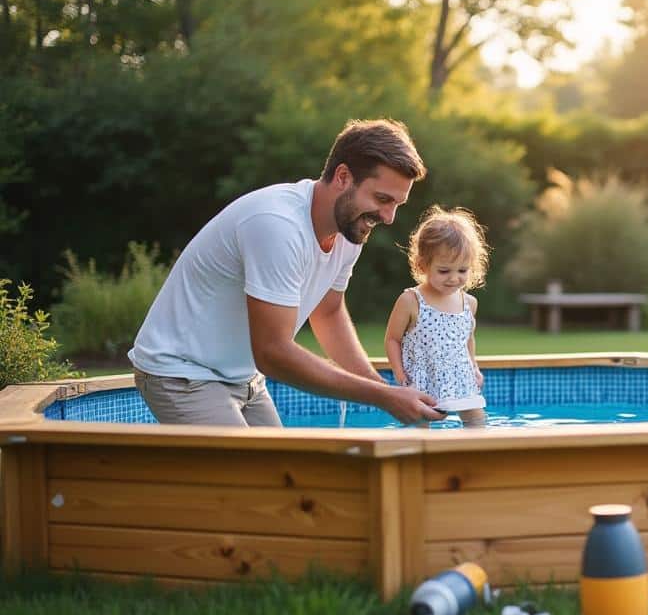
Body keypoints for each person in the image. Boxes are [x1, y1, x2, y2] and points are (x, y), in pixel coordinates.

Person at [128, 119, 445, 426]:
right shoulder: (277, 224)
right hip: (183, 372)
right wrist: (381, 397)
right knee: (256, 478)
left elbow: (329, 313)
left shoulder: (349, 229)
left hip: (244, 378)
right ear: (343, 177)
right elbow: (272, 352)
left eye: (397, 204)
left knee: (288, 475)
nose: (388, 217)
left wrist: (387, 389)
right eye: (382, 199)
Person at [384, 206, 489, 427]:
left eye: (462, 271)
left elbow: (467, 339)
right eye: (444, 271)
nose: (453, 278)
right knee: (420, 425)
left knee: (477, 421)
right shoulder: (411, 301)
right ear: (423, 265)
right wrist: (400, 375)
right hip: (422, 378)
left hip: (460, 377)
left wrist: (474, 366)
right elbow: (393, 338)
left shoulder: (469, 303)